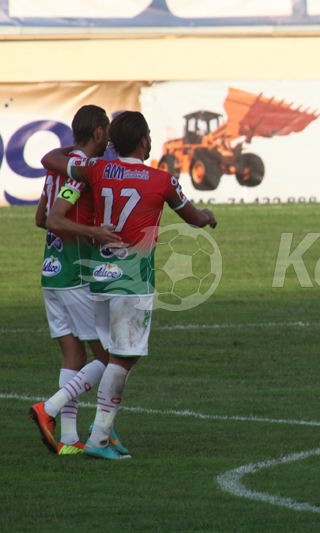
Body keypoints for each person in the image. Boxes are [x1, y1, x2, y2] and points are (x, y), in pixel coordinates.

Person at [33, 111, 217, 460]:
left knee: (108, 357)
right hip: (133, 283)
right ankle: (89, 431)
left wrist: (80, 149)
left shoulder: (95, 170)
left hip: (98, 281)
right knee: (122, 360)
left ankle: (92, 431)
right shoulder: (163, 180)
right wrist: (208, 217)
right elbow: (194, 219)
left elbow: (52, 163)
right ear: (144, 141)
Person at [28, 105, 122, 456]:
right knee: (109, 358)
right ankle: (49, 408)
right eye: (106, 131)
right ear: (98, 132)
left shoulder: (57, 170)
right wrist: (95, 232)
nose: (108, 137)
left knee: (73, 354)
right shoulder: (81, 174)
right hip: (75, 275)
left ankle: (68, 440)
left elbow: (41, 218)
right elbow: (54, 218)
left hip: (51, 272)